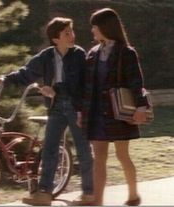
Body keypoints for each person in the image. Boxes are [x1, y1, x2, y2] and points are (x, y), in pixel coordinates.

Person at [0, 17, 94, 206]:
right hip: (55, 107)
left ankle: (89, 193)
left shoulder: (79, 55)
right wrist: (4, 79)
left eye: (72, 31)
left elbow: (85, 85)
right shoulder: (46, 56)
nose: (72, 36)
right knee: (49, 149)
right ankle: (44, 192)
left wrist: (79, 109)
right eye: (67, 33)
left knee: (83, 149)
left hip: (75, 107)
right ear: (55, 39)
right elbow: (26, 74)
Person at [82, 8, 150, 206]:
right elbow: (87, 86)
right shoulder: (93, 53)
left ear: (105, 27)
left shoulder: (126, 53)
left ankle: (133, 194)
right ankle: (98, 201)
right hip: (96, 112)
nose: (93, 31)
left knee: (122, 155)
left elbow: (136, 82)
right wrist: (81, 111)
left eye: (95, 26)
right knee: (99, 158)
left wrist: (141, 106)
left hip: (118, 112)